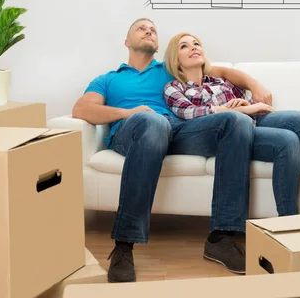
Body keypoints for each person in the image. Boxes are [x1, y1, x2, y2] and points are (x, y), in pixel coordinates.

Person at [72, 18, 272, 283]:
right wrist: (128, 112)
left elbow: (220, 72)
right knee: (153, 121)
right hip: (131, 131)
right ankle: (123, 245)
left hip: (177, 130)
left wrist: (255, 85)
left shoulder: (169, 69)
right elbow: (82, 110)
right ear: (127, 42)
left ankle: (221, 238)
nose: (149, 31)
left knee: (235, 121)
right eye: (141, 29)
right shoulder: (108, 79)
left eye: (153, 30)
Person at [162, 32, 300, 217]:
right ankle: (288, 218)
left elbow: (246, 102)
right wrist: (236, 110)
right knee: (287, 140)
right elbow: (191, 114)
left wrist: (246, 105)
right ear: (176, 60)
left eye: (196, 44)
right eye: (184, 46)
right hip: (231, 135)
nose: (193, 47)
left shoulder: (220, 80)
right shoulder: (174, 88)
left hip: (255, 119)